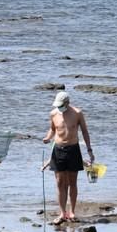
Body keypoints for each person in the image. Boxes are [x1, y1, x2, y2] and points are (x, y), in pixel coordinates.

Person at [43, 91, 94, 224]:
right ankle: (62, 213)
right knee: (60, 183)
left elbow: (84, 132)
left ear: (67, 103)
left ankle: (72, 212)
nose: (59, 107)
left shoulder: (77, 113)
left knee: (72, 183)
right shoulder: (53, 114)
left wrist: (89, 150)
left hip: (73, 149)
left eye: (61, 105)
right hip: (58, 150)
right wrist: (47, 138)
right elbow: (53, 130)